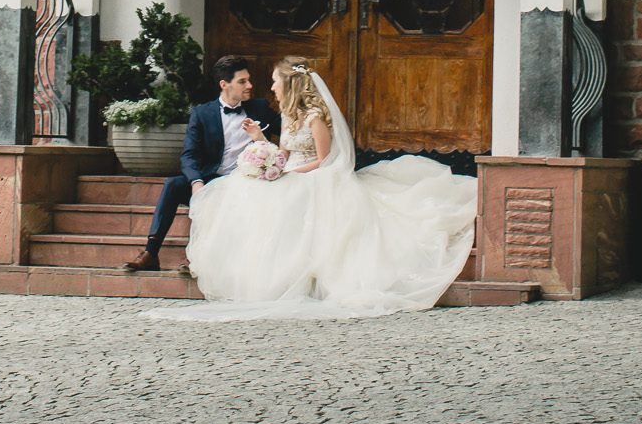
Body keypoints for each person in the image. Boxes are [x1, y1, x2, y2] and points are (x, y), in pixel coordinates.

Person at [147, 56, 478, 320]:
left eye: (275, 81)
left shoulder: (315, 117)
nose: (270, 87)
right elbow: (283, 154)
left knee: (281, 196)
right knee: (243, 191)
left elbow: (325, 159)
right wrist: (262, 147)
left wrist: (288, 173)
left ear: (289, 83)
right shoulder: (288, 116)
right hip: (291, 173)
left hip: (315, 176)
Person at [122, 54, 281, 273]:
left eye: (248, 80)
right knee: (173, 185)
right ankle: (151, 253)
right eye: (242, 81)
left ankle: (196, 258)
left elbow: (290, 130)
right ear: (224, 85)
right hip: (211, 179)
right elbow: (189, 155)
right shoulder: (202, 113)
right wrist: (196, 181)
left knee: (220, 198)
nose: (250, 86)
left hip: (244, 183)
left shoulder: (259, 108)